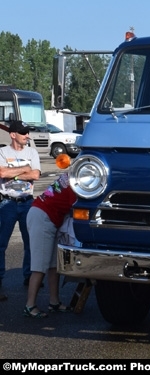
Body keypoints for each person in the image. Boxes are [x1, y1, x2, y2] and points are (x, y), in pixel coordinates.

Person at [24, 155, 76, 318]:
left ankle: (54, 302)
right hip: (43, 217)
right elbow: (76, 208)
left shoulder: (69, 177)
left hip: (45, 215)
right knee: (39, 266)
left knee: (54, 264)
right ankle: (30, 305)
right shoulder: (75, 184)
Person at [0, 120, 41, 302]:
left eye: (27, 132)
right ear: (13, 134)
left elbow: (35, 175)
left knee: (30, 242)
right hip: (7, 203)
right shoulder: (2, 152)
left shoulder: (32, 152)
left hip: (27, 202)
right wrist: (25, 168)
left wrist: (14, 172)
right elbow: (1, 173)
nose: (27, 136)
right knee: (1, 244)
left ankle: (29, 276)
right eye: (23, 133)